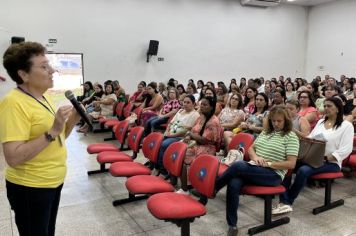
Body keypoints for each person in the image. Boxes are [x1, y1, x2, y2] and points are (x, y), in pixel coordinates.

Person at [0, 42, 81, 236]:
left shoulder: (43, 98)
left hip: (52, 181)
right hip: (31, 187)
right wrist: (52, 131)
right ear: (24, 75)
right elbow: (13, 157)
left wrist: (71, 121)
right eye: (44, 66)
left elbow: (58, 138)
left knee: (47, 232)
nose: (52, 70)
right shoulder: (13, 103)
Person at [216, 105, 299, 236]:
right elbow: (251, 149)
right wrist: (256, 157)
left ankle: (214, 188)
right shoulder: (266, 132)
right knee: (234, 183)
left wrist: (269, 164)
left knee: (238, 166)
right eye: (273, 121)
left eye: (279, 121)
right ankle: (232, 225)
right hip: (255, 167)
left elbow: (291, 164)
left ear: (286, 121)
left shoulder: (291, 137)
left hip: (273, 175)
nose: (276, 124)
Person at [273, 97, 353, 215]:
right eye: (324, 106)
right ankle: (284, 201)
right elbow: (310, 138)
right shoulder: (321, 122)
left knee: (303, 171)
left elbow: (346, 149)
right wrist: (295, 132)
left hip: (331, 162)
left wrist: (326, 158)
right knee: (286, 165)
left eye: (329, 106)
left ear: (338, 108)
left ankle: (287, 201)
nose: (326, 108)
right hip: (313, 158)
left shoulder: (346, 125)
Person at [156, 95, 200, 171]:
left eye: (188, 102)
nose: (185, 104)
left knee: (164, 144)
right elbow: (170, 123)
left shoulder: (195, 115)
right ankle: (155, 163)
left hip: (180, 136)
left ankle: (163, 167)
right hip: (170, 133)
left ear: (193, 104)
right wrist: (166, 131)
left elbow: (186, 130)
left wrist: (171, 135)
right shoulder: (180, 111)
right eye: (184, 102)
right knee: (157, 141)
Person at [183, 96, 222, 164]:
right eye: (201, 104)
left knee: (186, 154)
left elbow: (204, 140)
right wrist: (188, 136)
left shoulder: (213, 122)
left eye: (205, 105)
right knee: (180, 150)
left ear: (211, 107)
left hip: (207, 147)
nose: (202, 106)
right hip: (195, 144)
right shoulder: (201, 117)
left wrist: (190, 134)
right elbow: (193, 129)